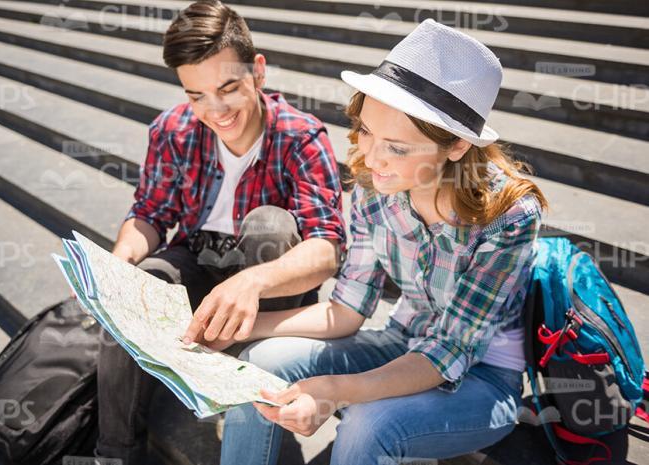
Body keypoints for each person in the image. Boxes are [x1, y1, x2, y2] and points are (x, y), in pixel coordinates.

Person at [218, 19, 549, 465]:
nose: (370, 158)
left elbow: (449, 351)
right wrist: (231, 327)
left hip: (484, 380)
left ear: (454, 145)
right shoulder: (376, 190)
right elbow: (346, 310)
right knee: (259, 361)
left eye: (395, 146)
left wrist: (333, 392)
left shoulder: (506, 216)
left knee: (368, 423)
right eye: (367, 131)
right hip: (401, 339)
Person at [94, 1, 345, 463]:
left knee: (269, 225)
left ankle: (252, 383)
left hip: (269, 277)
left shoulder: (300, 135)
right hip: (198, 258)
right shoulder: (172, 129)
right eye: (196, 95)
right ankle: (115, 453)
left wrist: (250, 281)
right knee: (142, 276)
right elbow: (149, 213)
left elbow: (327, 249)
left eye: (228, 87)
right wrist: (119, 264)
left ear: (259, 72)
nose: (215, 110)